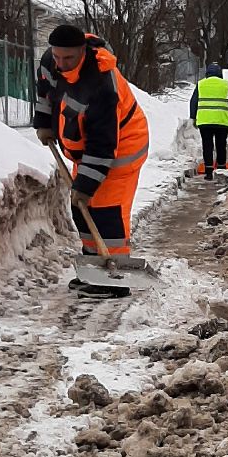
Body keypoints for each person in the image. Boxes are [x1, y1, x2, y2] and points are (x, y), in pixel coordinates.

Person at [34, 23, 149, 298]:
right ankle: (95, 269)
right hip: (87, 151)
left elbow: (102, 144)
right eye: (57, 56)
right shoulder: (51, 61)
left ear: (82, 51)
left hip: (120, 149)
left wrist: (85, 185)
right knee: (81, 209)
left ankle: (114, 280)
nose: (61, 63)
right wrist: (44, 123)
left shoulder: (101, 83)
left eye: (68, 58)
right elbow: (45, 91)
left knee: (105, 212)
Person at [189, 63, 228, 179]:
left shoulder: (201, 84)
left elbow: (193, 102)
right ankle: (221, 171)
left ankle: (208, 172)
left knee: (207, 146)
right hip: (221, 121)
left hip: (205, 121)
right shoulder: (226, 85)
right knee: (221, 145)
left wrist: (193, 117)